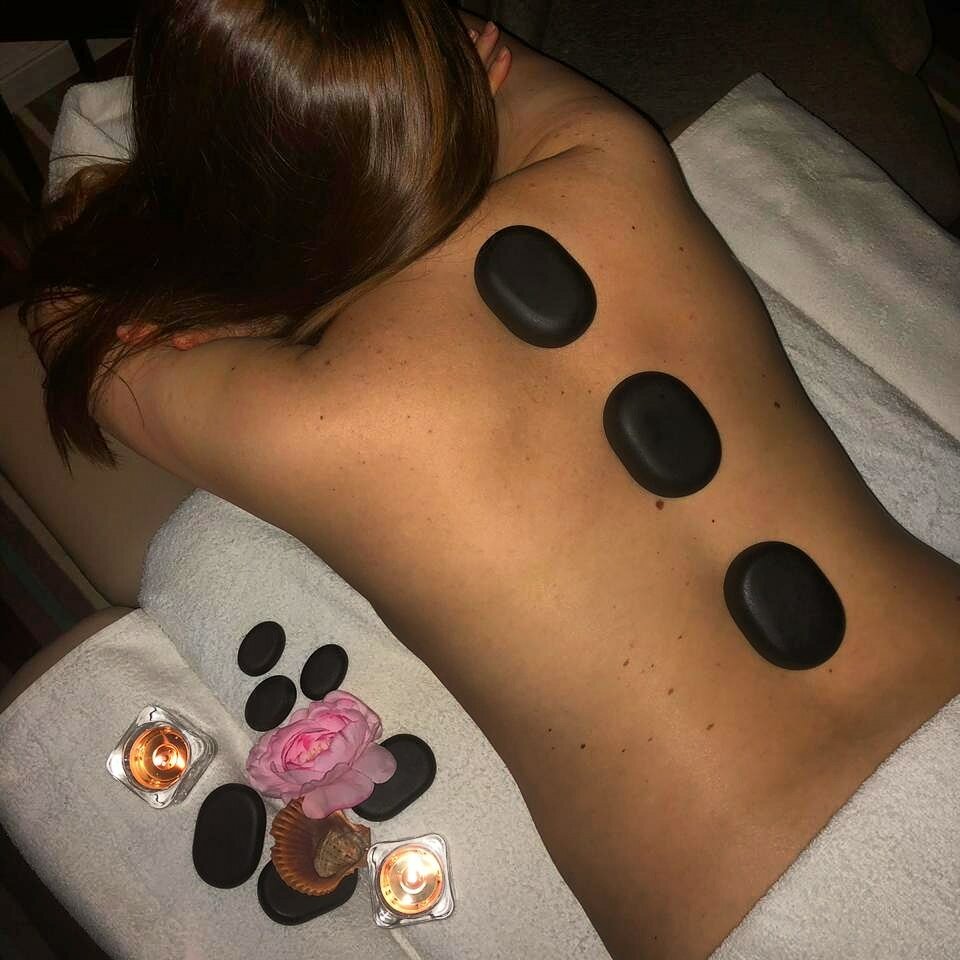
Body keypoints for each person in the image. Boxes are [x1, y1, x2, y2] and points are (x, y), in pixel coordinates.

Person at [9, 2, 960, 957]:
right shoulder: (606, 154)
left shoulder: (306, 423)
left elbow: (66, 318)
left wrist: (147, 206)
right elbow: (466, 56)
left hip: (779, 901)